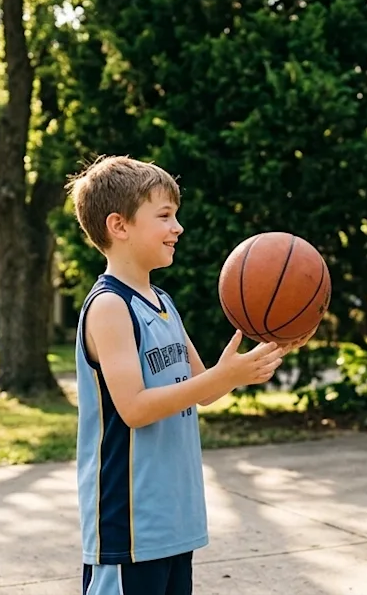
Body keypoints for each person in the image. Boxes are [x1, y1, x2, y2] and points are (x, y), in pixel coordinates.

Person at [67, 155, 295, 595]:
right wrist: (221, 377)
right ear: (120, 226)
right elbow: (132, 408)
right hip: (129, 521)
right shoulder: (111, 306)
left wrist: (261, 354)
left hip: (174, 515)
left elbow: (202, 389)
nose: (178, 228)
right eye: (165, 216)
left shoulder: (163, 302)